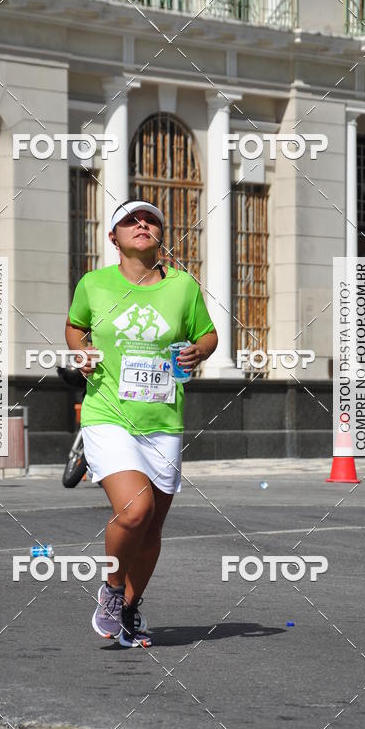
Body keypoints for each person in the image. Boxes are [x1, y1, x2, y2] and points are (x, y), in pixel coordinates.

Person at [65, 199, 218, 647]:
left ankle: (130, 609)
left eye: (151, 219)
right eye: (131, 221)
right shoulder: (94, 284)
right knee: (136, 510)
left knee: (152, 528)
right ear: (113, 237)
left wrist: (200, 351)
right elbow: (76, 327)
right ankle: (112, 591)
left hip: (164, 418)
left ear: (160, 235)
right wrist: (81, 350)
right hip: (108, 413)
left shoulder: (183, 287)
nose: (143, 225)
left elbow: (207, 332)